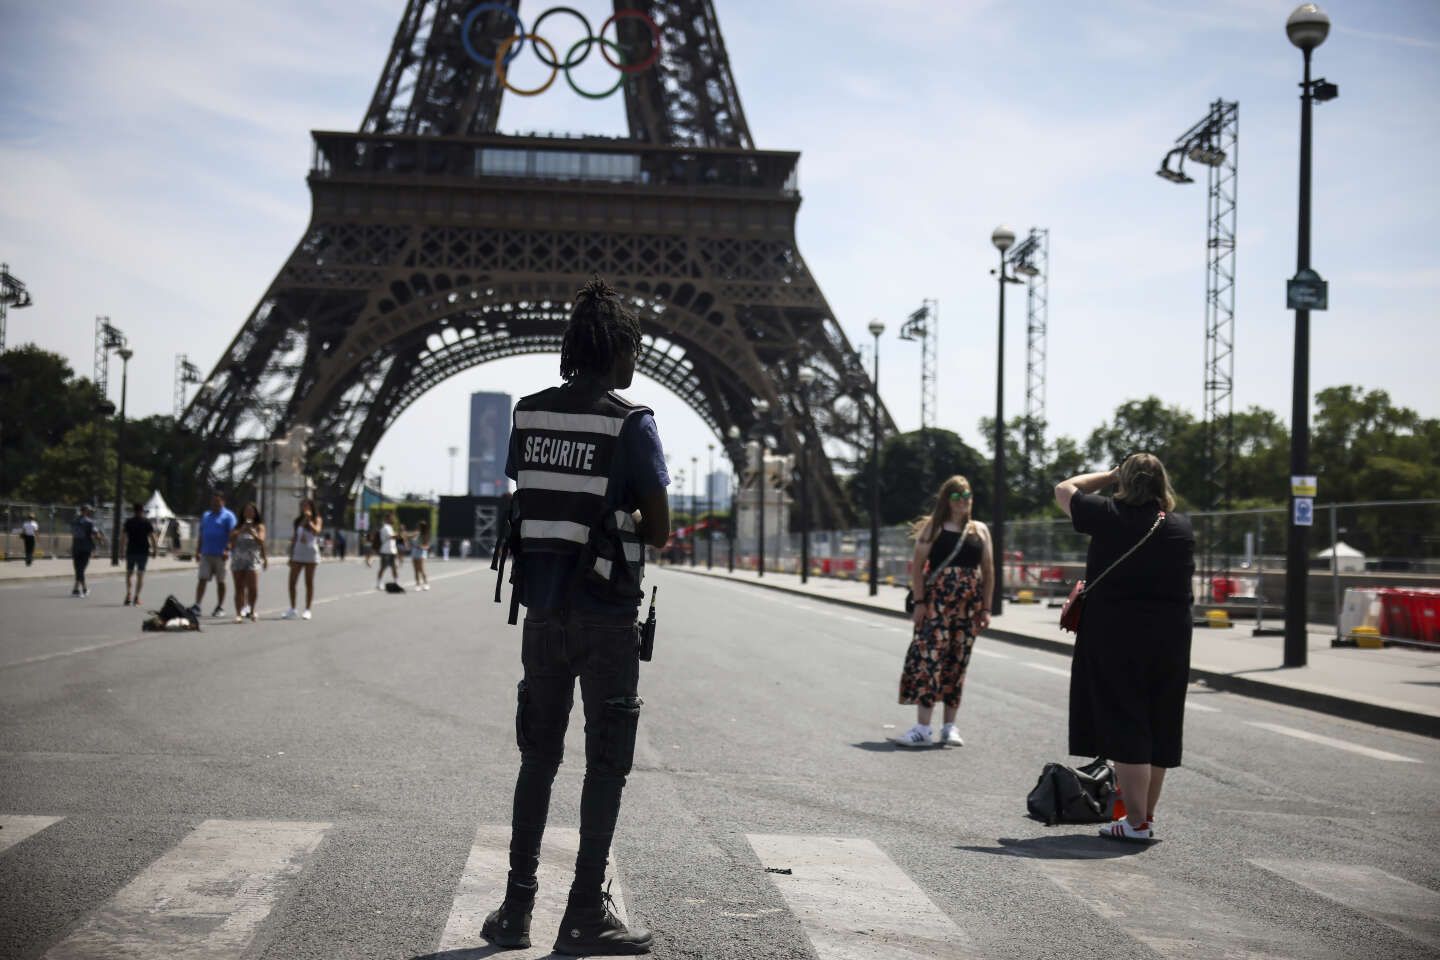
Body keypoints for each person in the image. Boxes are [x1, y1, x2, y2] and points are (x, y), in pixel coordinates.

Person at [481, 276, 669, 955]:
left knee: (538, 759)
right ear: (617, 349)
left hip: (542, 613)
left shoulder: (528, 414)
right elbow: (659, 530)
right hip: (608, 615)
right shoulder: (632, 422)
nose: (637, 361)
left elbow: (528, 493)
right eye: (634, 348)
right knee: (606, 764)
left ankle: (514, 909)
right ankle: (586, 910)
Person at [1055, 453, 1195, 842]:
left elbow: (1065, 488)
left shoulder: (1108, 516)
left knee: (1126, 722)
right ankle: (1144, 816)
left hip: (1117, 637)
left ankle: (1135, 822)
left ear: (1125, 481)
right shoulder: (1181, 528)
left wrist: (1109, 475)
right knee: (1159, 723)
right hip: (1172, 640)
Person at [893, 475, 994, 748]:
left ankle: (949, 727)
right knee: (929, 660)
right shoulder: (933, 528)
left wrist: (986, 607)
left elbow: (988, 570)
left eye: (967, 496)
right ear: (947, 500)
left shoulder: (980, 531)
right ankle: (923, 728)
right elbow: (917, 568)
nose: (964, 502)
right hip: (936, 605)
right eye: (957, 497)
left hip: (968, 607)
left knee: (957, 662)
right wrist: (920, 603)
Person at [194, 492, 236, 617]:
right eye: (213, 502)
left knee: (221, 581)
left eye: (217, 502)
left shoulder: (228, 516)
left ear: (223, 502)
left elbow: (233, 534)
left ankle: (220, 606)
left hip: (221, 554)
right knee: (202, 578)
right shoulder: (206, 515)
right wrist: (197, 551)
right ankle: (197, 605)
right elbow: (202, 534)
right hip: (206, 553)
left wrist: (227, 549)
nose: (215, 504)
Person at [229, 503, 268, 622]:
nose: (249, 513)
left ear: (255, 513)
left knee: (253, 588)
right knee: (239, 587)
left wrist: (253, 533)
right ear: (243, 513)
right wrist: (241, 530)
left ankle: (252, 610)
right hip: (238, 559)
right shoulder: (238, 526)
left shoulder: (259, 526)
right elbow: (231, 539)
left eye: (251, 511)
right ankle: (238, 613)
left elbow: (261, 541)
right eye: (247, 511)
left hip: (253, 560)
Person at [285, 498, 323, 620]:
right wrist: (290, 555)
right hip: (298, 553)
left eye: (307, 506)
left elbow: (316, 531)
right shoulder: (297, 521)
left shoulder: (317, 519)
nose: (304, 508)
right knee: (292, 582)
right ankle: (292, 608)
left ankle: (307, 609)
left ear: (311, 507)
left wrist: (309, 521)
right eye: (302, 506)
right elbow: (295, 537)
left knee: (308, 582)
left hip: (311, 553)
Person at [122, 503, 157, 607]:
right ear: (142, 511)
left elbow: (123, 537)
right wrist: (155, 550)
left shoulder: (129, 522)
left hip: (131, 551)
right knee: (140, 575)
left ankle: (128, 594)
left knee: (129, 573)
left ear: (134, 511)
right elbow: (152, 537)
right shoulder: (146, 522)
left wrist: (121, 551)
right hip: (143, 552)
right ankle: (136, 597)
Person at [69, 505, 105, 597]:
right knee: (81, 569)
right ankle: (84, 589)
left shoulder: (74, 521)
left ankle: (75, 589)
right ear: (86, 511)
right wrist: (100, 540)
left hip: (76, 546)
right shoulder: (89, 522)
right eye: (89, 511)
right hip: (85, 547)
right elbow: (96, 533)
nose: (90, 513)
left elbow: (72, 532)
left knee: (78, 568)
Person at [410, 520, 432, 591]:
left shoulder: (425, 535)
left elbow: (427, 546)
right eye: (419, 525)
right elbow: (409, 537)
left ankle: (426, 583)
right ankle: (417, 584)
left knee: (422, 569)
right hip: (414, 552)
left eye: (421, 526)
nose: (420, 527)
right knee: (416, 570)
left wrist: (421, 547)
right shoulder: (416, 533)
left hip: (421, 552)